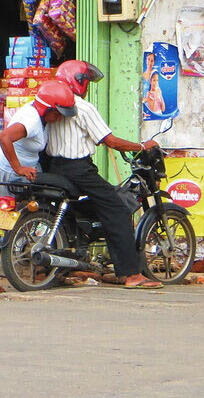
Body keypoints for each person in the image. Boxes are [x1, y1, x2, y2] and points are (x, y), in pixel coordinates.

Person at [50, 60, 163, 289]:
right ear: (78, 82)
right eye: (87, 82)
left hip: (53, 167)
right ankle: (131, 275)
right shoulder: (82, 107)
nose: (89, 87)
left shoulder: (49, 103)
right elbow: (110, 141)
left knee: (86, 206)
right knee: (117, 209)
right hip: (79, 170)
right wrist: (142, 146)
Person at [0, 81, 78, 294]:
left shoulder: (41, 118)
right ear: (48, 109)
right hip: (2, 167)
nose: (59, 118)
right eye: (58, 113)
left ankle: (39, 266)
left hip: (27, 167)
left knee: (29, 209)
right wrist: (18, 167)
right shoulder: (31, 119)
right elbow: (4, 137)